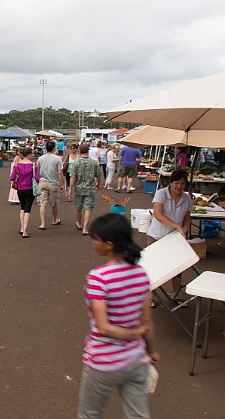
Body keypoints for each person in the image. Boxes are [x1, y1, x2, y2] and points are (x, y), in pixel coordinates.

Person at [78, 213, 160, 419]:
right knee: (138, 416)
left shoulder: (98, 277)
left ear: (108, 244)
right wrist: (150, 350)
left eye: (95, 239)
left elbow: (104, 327)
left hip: (103, 361)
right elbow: (147, 322)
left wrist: (133, 334)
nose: (93, 243)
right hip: (136, 360)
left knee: (89, 414)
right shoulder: (141, 273)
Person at [146, 168, 192, 307]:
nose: (179, 186)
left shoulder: (187, 198)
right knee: (153, 267)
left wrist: (183, 229)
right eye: (176, 183)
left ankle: (176, 296)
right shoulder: (161, 194)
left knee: (177, 268)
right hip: (157, 235)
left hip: (174, 238)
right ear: (171, 183)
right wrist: (176, 226)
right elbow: (158, 215)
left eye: (183, 184)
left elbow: (187, 218)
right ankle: (150, 296)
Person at [70, 143, 101, 236]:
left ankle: (79, 223)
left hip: (78, 189)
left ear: (79, 150)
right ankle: (85, 228)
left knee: (78, 208)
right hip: (90, 189)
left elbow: (73, 177)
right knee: (88, 208)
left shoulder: (76, 162)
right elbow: (99, 176)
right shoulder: (94, 162)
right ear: (88, 151)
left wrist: (70, 189)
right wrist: (98, 184)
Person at [10, 148, 39, 238]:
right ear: (29, 154)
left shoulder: (16, 165)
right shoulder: (34, 166)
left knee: (22, 208)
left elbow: (11, 178)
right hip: (30, 189)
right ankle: (25, 231)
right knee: (27, 210)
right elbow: (37, 179)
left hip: (20, 189)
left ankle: (22, 228)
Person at [36, 141, 65, 230]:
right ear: (53, 148)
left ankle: (42, 223)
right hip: (53, 182)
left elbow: (38, 170)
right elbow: (60, 172)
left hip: (42, 182)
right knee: (54, 203)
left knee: (42, 203)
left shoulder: (40, 158)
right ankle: (54, 219)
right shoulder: (57, 159)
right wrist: (62, 184)